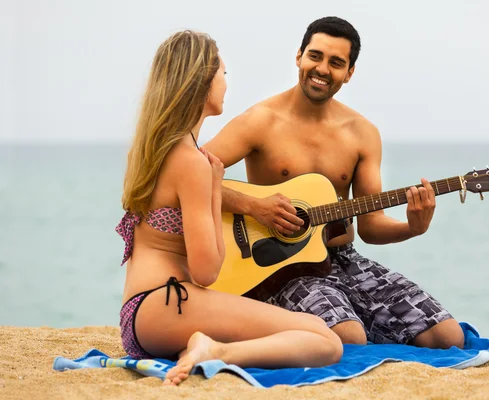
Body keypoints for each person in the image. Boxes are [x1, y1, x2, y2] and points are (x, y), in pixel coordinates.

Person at [203, 17, 465, 349]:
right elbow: (190, 176)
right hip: (280, 267)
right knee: (347, 337)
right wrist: (255, 206)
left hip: (342, 257)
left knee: (447, 336)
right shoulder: (260, 121)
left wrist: (413, 227)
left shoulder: (363, 133)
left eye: (336, 62)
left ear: (349, 73)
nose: (322, 69)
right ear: (299, 56)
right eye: (315, 56)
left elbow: (370, 226)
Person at [115, 30, 343, 387]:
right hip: (165, 302)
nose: (225, 82)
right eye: (223, 73)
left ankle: (207, 345)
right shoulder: (191, 161)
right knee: (325, 341)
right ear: (203, 81)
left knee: (316, 331)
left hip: (140, 311)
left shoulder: (152, 149)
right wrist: (210, 190)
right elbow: (207, 272)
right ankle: (217, 351)